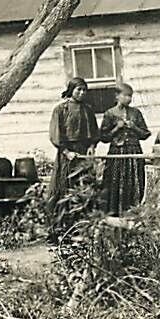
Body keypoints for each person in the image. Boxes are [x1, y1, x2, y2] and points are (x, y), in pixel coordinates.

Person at [47, 77, 99, 219]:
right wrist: (66, 152)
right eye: (79, 90)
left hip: (83, 153)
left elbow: (94, 132)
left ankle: (83, 224)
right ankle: (63, 226)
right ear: (71, 90)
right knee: (65, 187)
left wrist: (92, 146)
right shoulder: (60, 109)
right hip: (66, 153)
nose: (82, 93)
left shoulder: (88, 110)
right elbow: (55, 135)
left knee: (85, 186)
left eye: (84, 90)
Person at [100, 83, 151, 216]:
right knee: (116, 181)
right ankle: (114, 213)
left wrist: (133, 126)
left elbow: (145, 134)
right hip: (117, 153)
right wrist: (117, 128)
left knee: (135, 181)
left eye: (130, 96)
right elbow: (103, 137)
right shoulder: (109, 113)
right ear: (117, 96)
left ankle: (134, 213)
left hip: (134, 152)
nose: (128, 99)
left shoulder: (136, 113)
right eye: (126, 95)